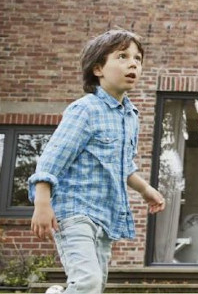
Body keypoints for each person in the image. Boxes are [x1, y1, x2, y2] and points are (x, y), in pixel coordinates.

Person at [28, 29, 166, 294]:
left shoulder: (131, 116)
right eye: (122, 56)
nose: (133, 63)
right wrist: (42, 204)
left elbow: (122, 165)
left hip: (105, 217)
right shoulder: (85, 110)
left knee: (94, 285)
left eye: (138, 58)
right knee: (88, 282)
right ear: (98, 69)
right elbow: (51, 159)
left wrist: (146, 190)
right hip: (73, 212)